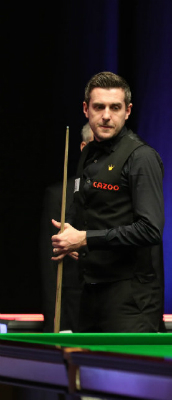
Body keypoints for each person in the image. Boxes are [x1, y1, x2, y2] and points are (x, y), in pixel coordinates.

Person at [51, 71, 166, 333]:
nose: (106, 115)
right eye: (98, 107)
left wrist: (85, 238)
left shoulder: (141, 157)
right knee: (85, 362)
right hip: (90, 293)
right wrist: (72, 236)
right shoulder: (88, 154)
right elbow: (95, 212)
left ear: (127, 111)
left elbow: (151, 230)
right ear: (86, 109)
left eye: (115, 107)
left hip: (131, 300)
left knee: (123, 363)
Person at [39, 123, 93, 332]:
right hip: (72, 310)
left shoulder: (125, 194)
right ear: (84, 147)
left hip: (115, 311)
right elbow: (49, 261)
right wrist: (55, 320)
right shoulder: (59, 195)